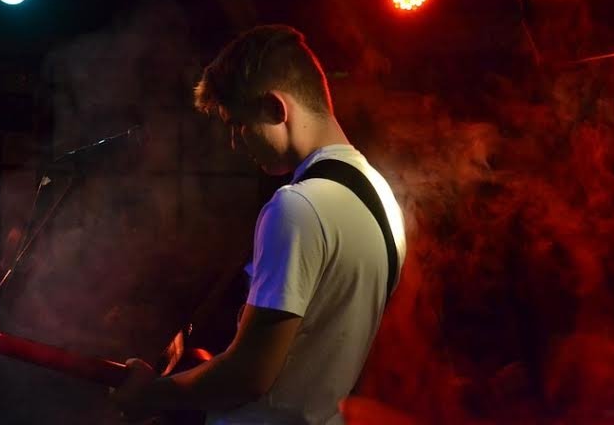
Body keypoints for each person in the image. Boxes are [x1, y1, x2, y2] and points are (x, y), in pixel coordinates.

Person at [111, 25, 407, 424]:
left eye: (238, 124)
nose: (236, 142)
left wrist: (152, 395)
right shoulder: (384, 201)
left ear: (275, 108)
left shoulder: (297, 207)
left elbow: (248, 376)